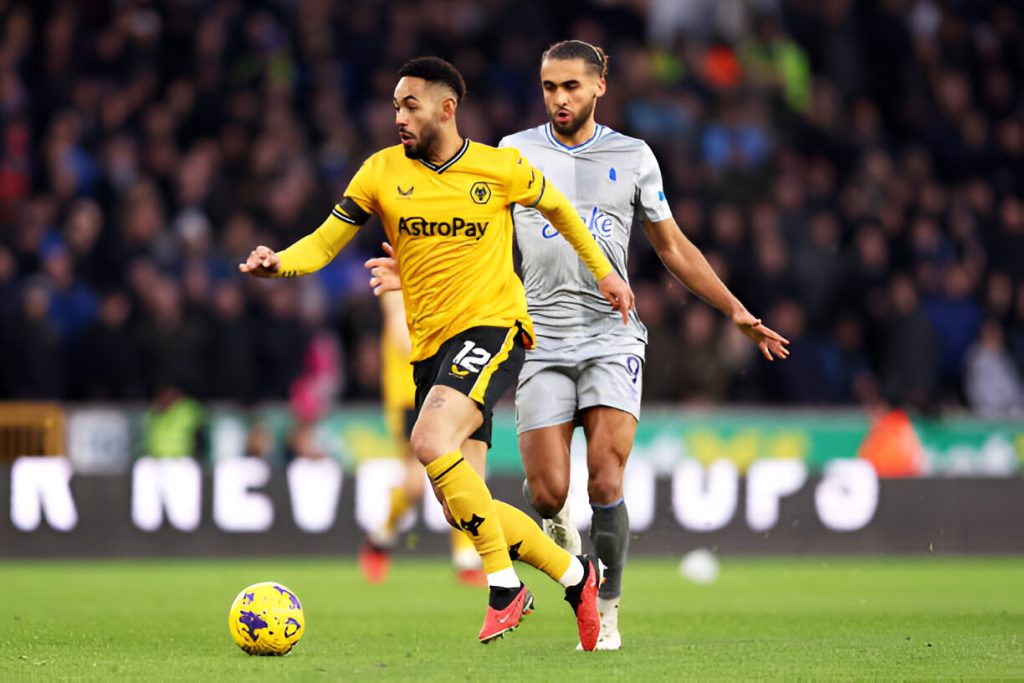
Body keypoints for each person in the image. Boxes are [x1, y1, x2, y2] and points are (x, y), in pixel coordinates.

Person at [366, 41, 789, 651]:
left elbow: (672, 246)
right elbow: (468, 233)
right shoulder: (512, 153)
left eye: (570, 86)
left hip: (611, 333)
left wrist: (735, 310)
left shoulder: (634, 156)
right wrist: (413, 268)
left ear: (598, 87)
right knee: (546, 492)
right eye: (549, 87)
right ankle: (564, 542)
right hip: (536, 335)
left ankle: (608, 606)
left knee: (606, 479)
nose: (559, 98)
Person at [240, 56, 636, 649]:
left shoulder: (498, 168)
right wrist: (279, 264)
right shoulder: (380, 172)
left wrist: (603, 271)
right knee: (461, 508)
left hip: (494, 328)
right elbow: (324, 242)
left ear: (447, 109)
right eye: (395, 106)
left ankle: (504, 588)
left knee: (427, 442)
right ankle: (576, 575)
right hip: (431, 350)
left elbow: (559, 209)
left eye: (411, 105)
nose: (399, 117)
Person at [359, 289, 487, 587]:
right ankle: (381, 537)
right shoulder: (398, 283)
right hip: (409, 394)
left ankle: (466, 557)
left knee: (459, 466)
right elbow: (401, 334)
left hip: (448, 388)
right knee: (415, 485)